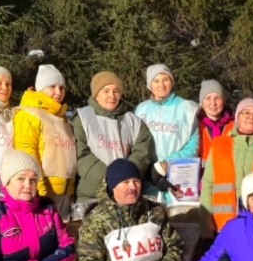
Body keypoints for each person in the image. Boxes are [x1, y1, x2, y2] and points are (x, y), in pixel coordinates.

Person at [200, 98, 253, 236]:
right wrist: (205, 222)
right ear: (237, 116)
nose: (251, 117)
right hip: (222, 225)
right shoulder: (219, 144)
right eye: (246, 112)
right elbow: (208, 184)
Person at [73, 71, 154, 202]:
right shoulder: (82, 118)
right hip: (92, 193)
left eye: (116, 91)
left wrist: (125, 178)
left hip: (126, 193)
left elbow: (142, 152)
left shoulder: (134, 121)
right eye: (106, 91)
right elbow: (80, 153)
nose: (112, 95)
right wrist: (108, 178)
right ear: (96, 94)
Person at [12, 65, 77, 218]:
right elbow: (27, 154)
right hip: (43, 192)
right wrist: (36, 188)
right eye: (52, 87)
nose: (58, 92)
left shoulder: (61, 118)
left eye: (62, 88)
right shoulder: (29, 114)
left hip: (64, 192)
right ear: (40, 89)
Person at [134, 64, 198, 202]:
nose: (161, 85)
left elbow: (193, 145)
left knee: (179, 220)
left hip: (178, 178)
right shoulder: (141, 110)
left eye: (165, 79)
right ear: (149, 85)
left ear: (172, 82)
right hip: (147, 180)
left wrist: (166, 164)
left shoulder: (187, 108)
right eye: (156, 81)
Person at [197, 80, 234, 166]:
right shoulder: (195, 124)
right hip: (202, 175)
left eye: (217, 98)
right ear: (202, 102)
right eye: (208, 98)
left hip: (227, 174)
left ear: (223, 101)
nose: (213, 103)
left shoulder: (234, 124)